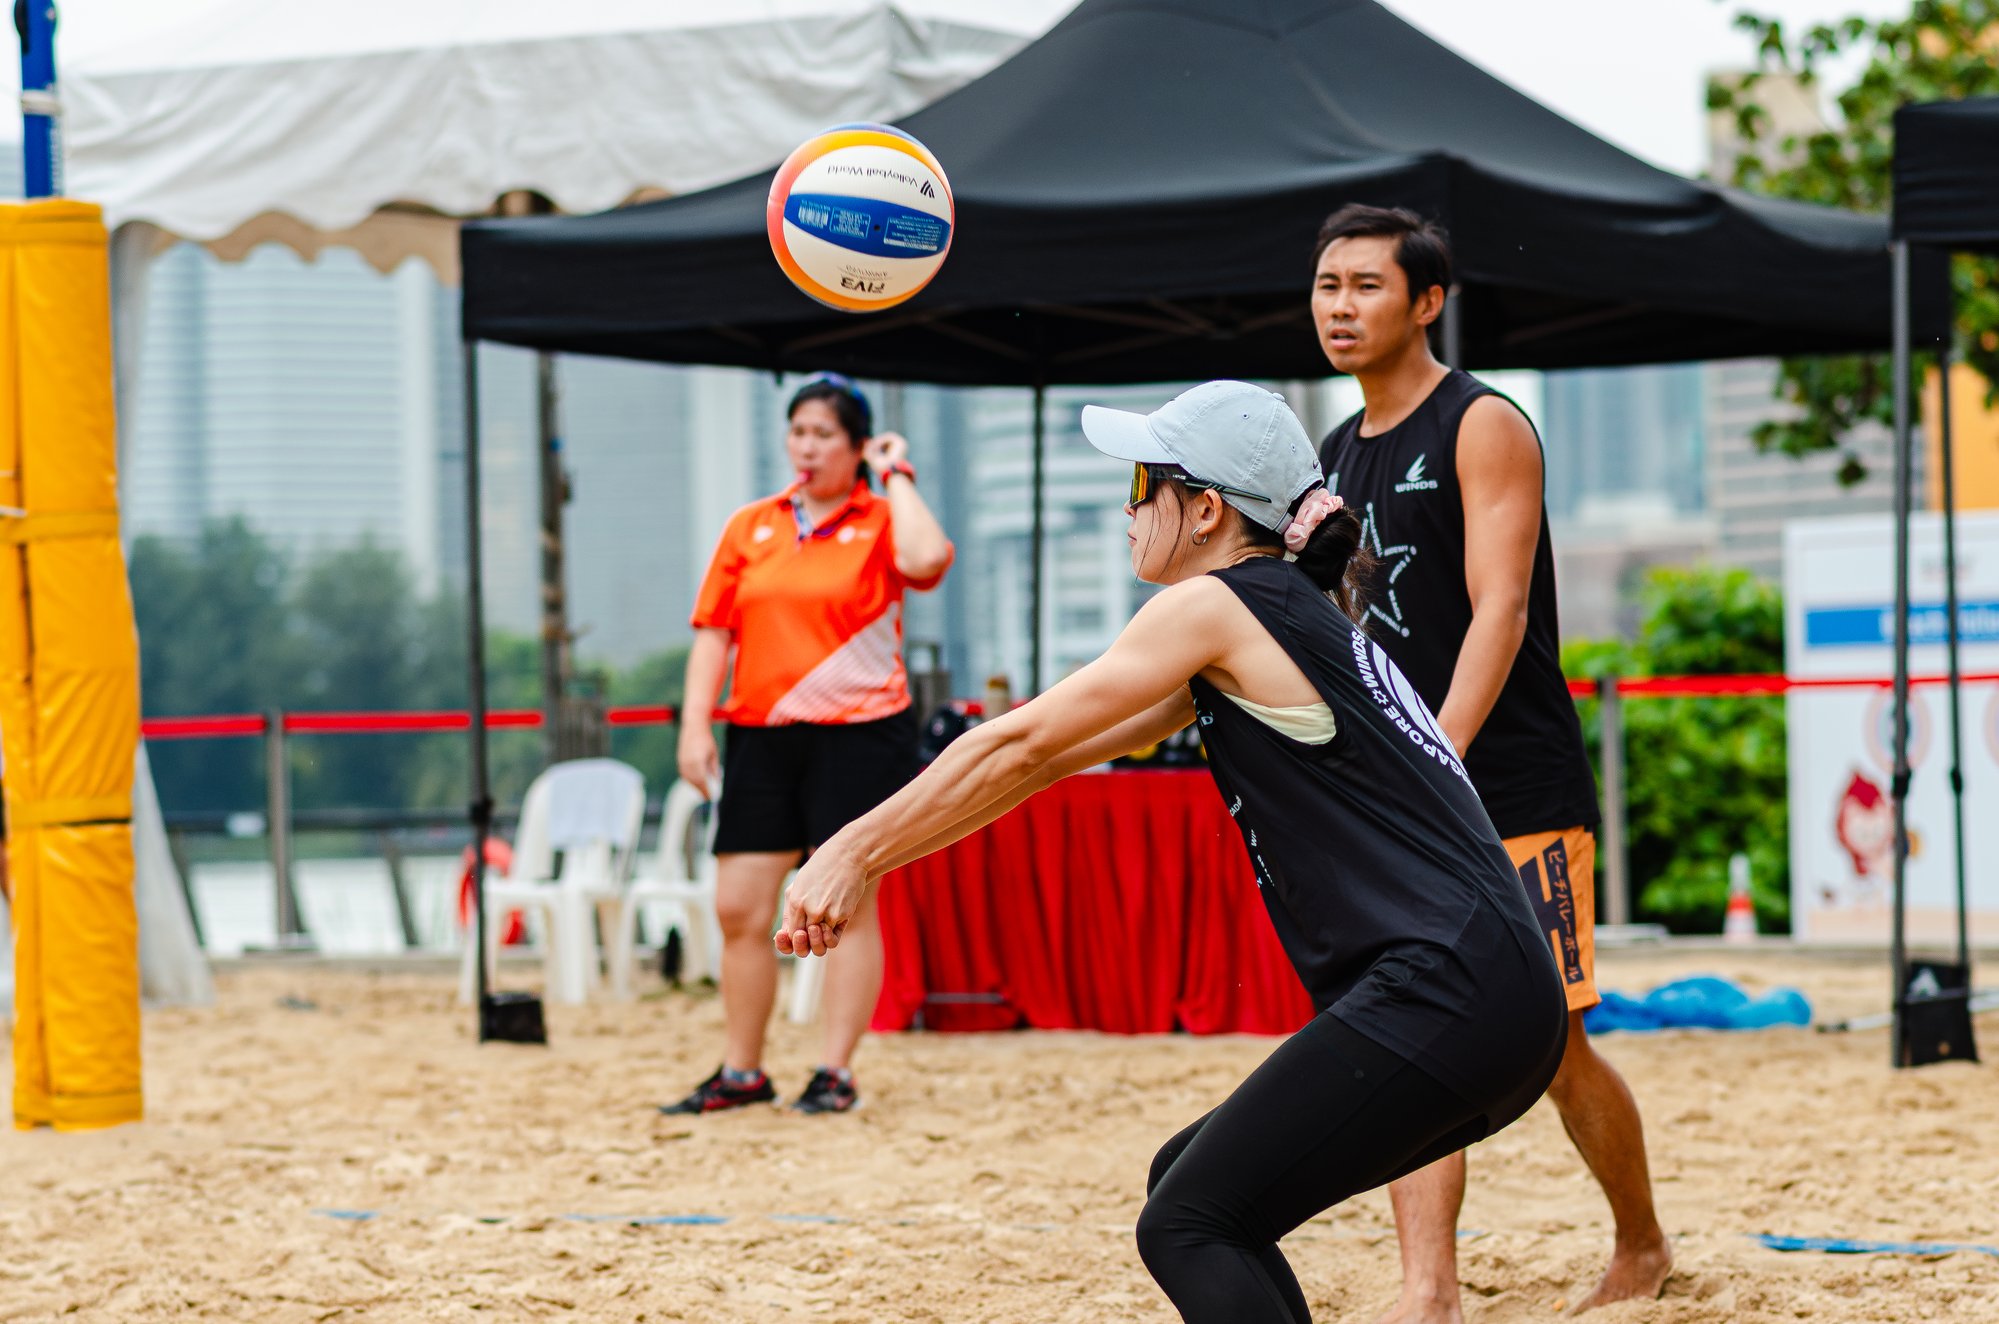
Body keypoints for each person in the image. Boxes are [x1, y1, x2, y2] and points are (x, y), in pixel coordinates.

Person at [775, 381, 1569, 1323]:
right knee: (1184, 1187)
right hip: (1493, 994)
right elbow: (1040, 766)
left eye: (1144, 484)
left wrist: (847, 849)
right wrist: (872, 863)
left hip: (1453, 988)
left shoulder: (1223, 605)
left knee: (1190, 1222)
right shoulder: (1279, 614)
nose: (1126, 509)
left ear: (1204, 510)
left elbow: (1013, 742)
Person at [1311, 203, 1671, 1318]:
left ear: (1427, 301)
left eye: (1365, 285)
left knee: (1553, 1042)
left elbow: (1499, 606)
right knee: (1407, 1032)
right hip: (1396, 800)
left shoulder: (1482, 424)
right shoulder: (1331, 454)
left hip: (1505, 779)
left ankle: (1643, 1244)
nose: (1338, 305)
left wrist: (1440, 752)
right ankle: (1430, 1290)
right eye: (1326, 284)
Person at [664, 373, 953, 1116]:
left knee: (847, 907)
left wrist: (896, 472)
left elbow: (926, 562)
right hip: (760, 734)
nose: (807, 446)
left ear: (857, 447)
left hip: (860, 736)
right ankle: (740, 1072)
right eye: (798, 431)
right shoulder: (750, 524)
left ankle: (834, 1072)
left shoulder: (882, 515)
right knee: (738, 907)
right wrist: (696, 726)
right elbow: (712, 634)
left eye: (825, 434)